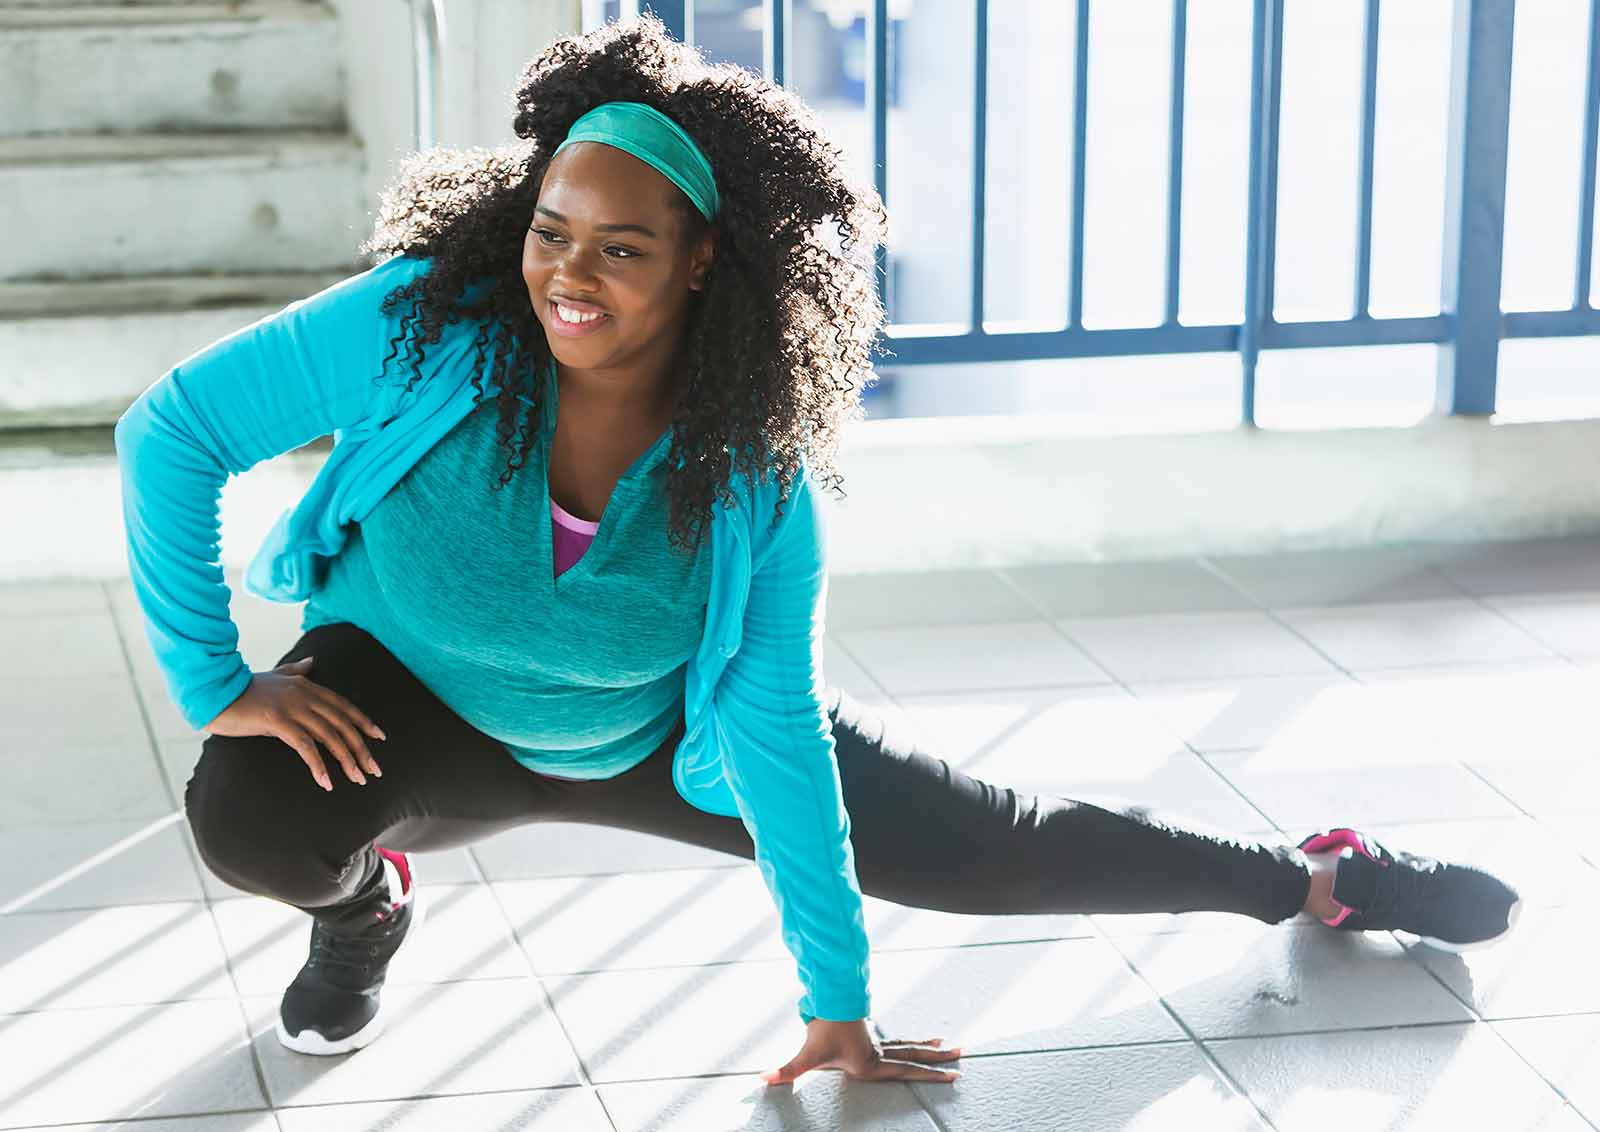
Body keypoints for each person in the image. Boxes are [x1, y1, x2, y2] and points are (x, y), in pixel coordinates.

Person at [113, 15, 1521, 1087]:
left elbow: (776, 726)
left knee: (999, 848)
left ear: (703, 259)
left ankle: (1311, 875)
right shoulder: (426, 320)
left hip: (661, 737)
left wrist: (832, 1001)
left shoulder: (750, 470)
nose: (568, 275)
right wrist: (215, 675)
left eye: (621, 248)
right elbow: (173, 432)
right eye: (551, 233)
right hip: (404, 715)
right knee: (251, 814)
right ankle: (365, 914)